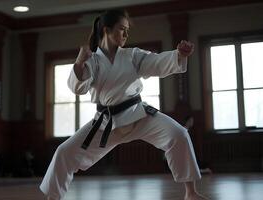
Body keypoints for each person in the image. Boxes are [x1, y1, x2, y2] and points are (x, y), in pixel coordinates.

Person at [40, 9, 208, 200]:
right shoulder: (92, 60)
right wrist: (79, 62)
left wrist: (178, 54)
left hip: (139, 115)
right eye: (122, 29)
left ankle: (191, 193)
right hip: (106, 124)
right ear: (106, 30)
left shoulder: (132, 55)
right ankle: (52, 197)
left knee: (179, 135)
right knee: (64, 152)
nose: (126, 35)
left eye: (127, 30)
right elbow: (79, 89)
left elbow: (157, 62)